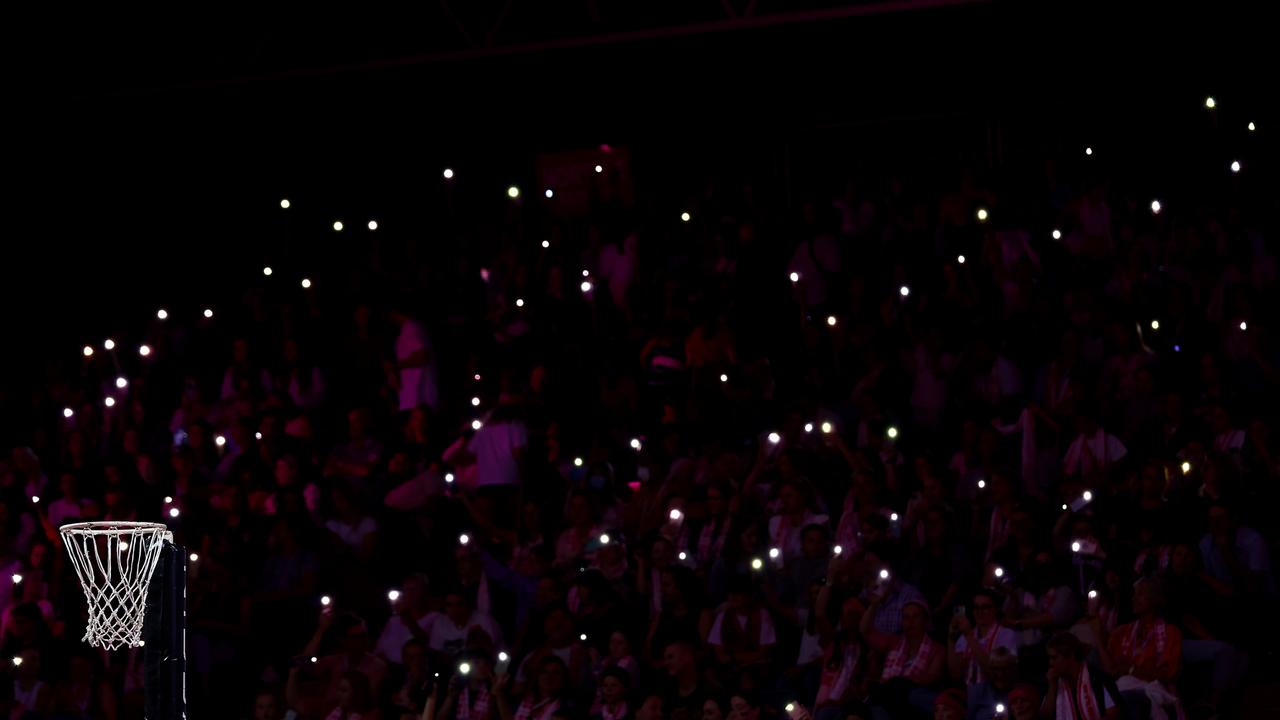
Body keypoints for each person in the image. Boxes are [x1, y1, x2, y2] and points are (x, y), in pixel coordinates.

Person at [1095, 578, 1182, 720]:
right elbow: (1111, 671)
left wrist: (1131, 670)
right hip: (1122, 688)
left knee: (1126, 700)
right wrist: (1098, 639)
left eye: (1141, 594)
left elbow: (1168, 674)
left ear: (1155, 598)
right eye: (1134, 594)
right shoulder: (1121, 632)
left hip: (1155, 694)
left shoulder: (1170, 633)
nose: (1134, 599)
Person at [947, 589, 1018, 688]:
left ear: (996, 609)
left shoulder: (1007, 634)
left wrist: (969, 636)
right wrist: (951, 639)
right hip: (968, 691)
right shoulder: (964, 636)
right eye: (976, 607)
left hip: (995, 692)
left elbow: (997, 675)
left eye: (985, 607)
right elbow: (955, 675)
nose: (979, 612)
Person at [1042, 632, 1119, 720]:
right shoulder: (1053, 681)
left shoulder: (1098, 677)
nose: (1051, 663)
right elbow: (1045, 717)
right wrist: (1052, 686)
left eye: (1054, 658)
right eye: (1050, 658)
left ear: (1071, 655)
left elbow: (1113, 714)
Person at [391, 305, 439, 413]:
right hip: (414, 399)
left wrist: (395, 366)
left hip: (417, 399)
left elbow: (422, 357)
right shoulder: (412, 328)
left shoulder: (411, 328)